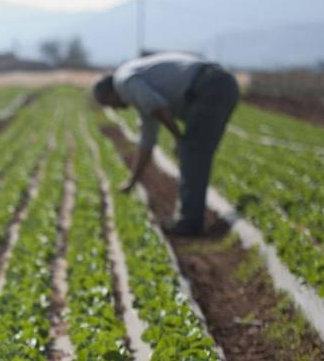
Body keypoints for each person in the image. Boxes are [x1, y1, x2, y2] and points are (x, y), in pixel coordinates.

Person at [92, 52, 240, 236]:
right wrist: (133, 180)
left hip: (210, 86)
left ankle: (190, 223)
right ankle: (191, 219)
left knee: (192, 152)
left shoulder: (124, 80)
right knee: (195, 153)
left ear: (111, 91)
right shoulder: (137, 85)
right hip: (217, 85)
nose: (114, 109)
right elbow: (147, 142)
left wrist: (179, 138)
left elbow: (157, 107)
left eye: (109, 103)